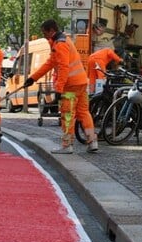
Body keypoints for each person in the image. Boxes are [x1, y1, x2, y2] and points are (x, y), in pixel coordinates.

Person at [25, 19, 97, 154]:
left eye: (45, 33)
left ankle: (67, 145)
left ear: (52, 31)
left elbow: (63, 67)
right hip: (81, 82)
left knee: (68, 114)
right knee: (83, 112)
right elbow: (50, 63)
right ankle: (92, 141)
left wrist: (59, 88)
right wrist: (33, 78)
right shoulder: (64, 40)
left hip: (71, 85)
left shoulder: (59, 45)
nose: (44, 36)